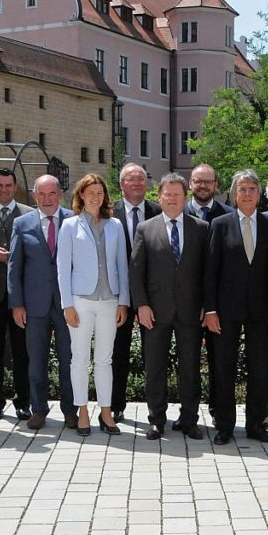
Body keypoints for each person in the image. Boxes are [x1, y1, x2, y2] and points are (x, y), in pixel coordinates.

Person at [130, 173, 209, 441]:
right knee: (154, 368)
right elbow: (136, 271)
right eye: (168, 194)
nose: (172, 199)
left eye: (178, 195)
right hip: (155, 311)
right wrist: (141, 304)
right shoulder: (145, 228)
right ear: (159, 197)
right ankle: (156, 420)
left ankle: (189, 420)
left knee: (190, 368)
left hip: (190, 311)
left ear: (185, 198)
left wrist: (206, 306)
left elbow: (207, 274)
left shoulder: (201, 228)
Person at [204, 170, 268, 445]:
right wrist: (210, 310)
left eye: (251, 189)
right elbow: (210, 270)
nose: (247, 193)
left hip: (263, 312)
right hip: (225, 311)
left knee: (261, 368)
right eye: (242, 189)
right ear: (234, 194)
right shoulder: (220, 225)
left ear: (259, 194)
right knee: (224, 367)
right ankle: (224, 426)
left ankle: (257, 425)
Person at [57, 174, 129, 437]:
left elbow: (122, 265)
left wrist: (124, 301)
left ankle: (106, 412)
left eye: (100, 193)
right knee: (79, 359)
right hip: (81, 301)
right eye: (90, 193)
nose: (95, 197)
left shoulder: (116, 226)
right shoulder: (70, 226)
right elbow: (63, 269)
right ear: (81, 196)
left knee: (104, 360)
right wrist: (67, 304)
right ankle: (83, 411)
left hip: (109, 301)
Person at [7, 175, 78, 430]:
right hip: (34, 305)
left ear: (60, 194)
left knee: (69, 360)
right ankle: (38, 410)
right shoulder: (21, 223)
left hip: (67, 304)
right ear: (34, 195)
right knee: (36, 361)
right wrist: (17, 304)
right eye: (41, 194)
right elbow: (14, 267)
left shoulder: (75, 220)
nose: (47, 199)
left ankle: (71, 410)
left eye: (51, 194)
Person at [111, 163, 162, 423]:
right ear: (121, 184)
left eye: (141, 179)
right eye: (131, 180)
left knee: (152, 354)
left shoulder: (158, 211)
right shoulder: (108, 212)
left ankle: (155, 409)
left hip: (149, 297)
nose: (136, 184)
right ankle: (115, 406)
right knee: (117, 352)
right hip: (116, 294)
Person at [0, 168, 32, 421]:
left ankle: (23, 401)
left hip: (21, 296)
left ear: (15, 187)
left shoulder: (29, 214)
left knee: (23, 351)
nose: (4, 189)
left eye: (8, 185)